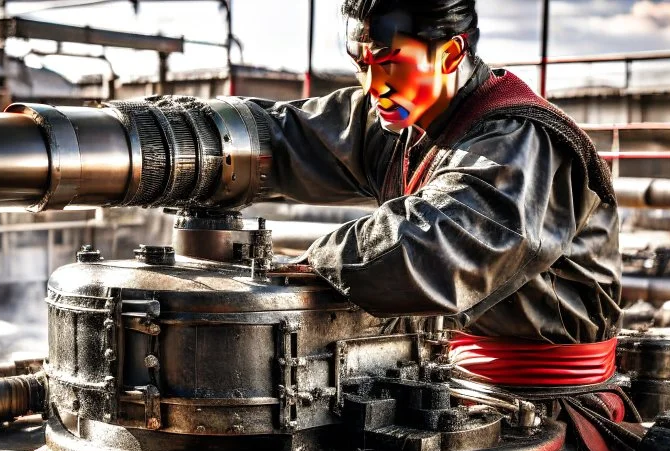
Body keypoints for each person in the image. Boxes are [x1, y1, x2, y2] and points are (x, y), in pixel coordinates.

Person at [255, 0, 622, 375]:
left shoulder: (519, 140)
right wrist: (202, 139)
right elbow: (289, 134)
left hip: (546, 400)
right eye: (361, 66)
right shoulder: (402, 117)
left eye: (391, 65)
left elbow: (436, 249)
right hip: (451, 381)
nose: (373, 87)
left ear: (450, 54)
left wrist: (310, 264)